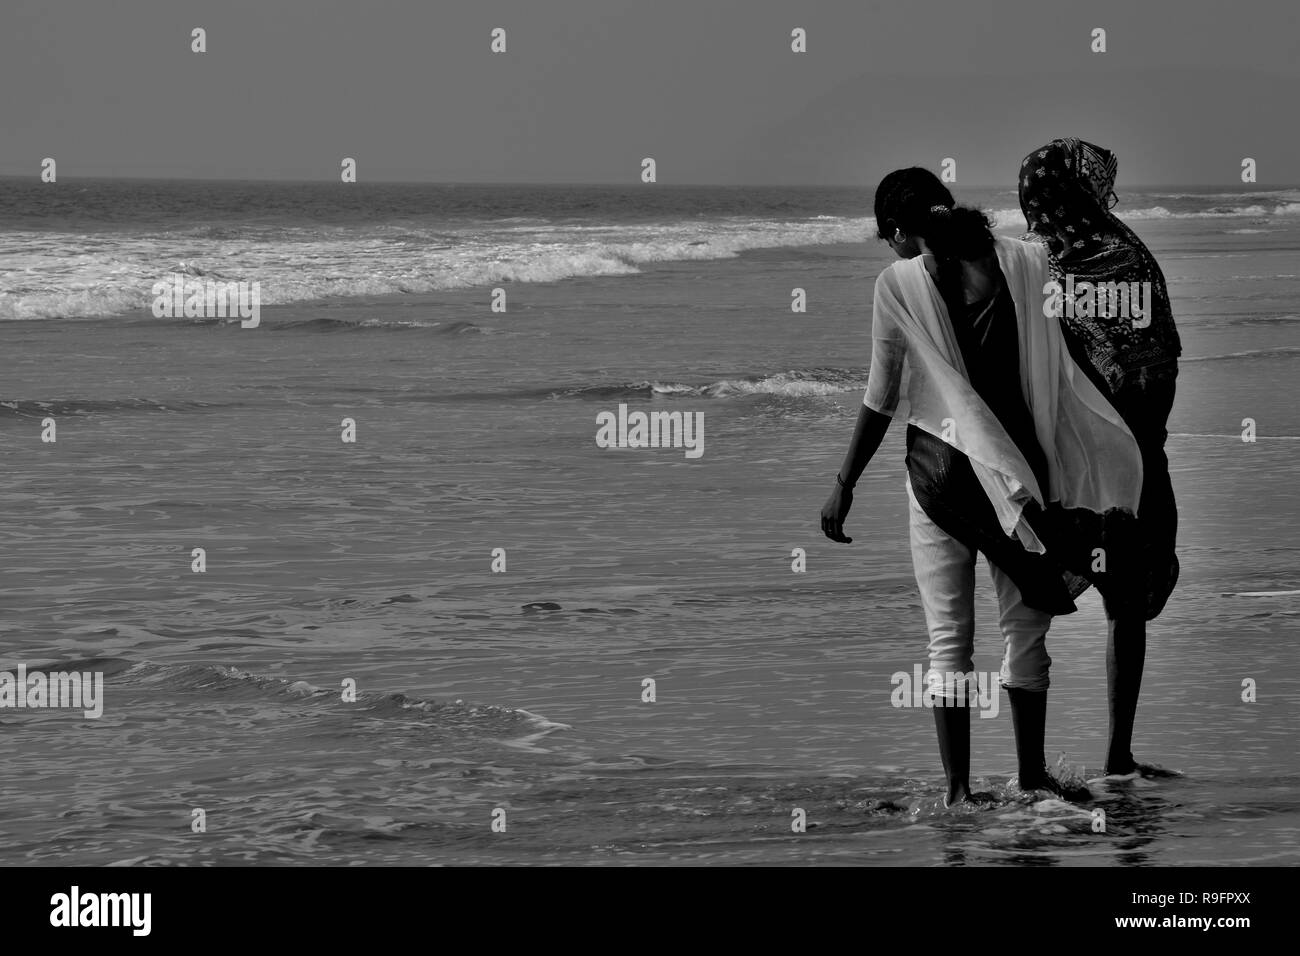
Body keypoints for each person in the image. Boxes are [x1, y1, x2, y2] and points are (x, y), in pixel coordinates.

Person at [820, 167, 1142, 806]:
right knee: (1025, 628)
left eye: (891, 237)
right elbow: (1084, 339)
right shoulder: (1028, 261)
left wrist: (843, 484)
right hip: (1020, 476)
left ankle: (961, 793)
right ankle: (1030, 779)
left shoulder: (898, 283)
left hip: (938, 481)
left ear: (901, 232)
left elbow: (882, 396)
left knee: (948, 639)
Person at [1019, 138, 1181, 776]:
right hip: (1133, 453)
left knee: (1032, 608)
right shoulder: (1123, 251)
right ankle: (1116, 755)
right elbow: (1156, 362)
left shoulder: (1034, 264)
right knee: (1124, 602)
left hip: (1063, 456)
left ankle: (1029, 768)